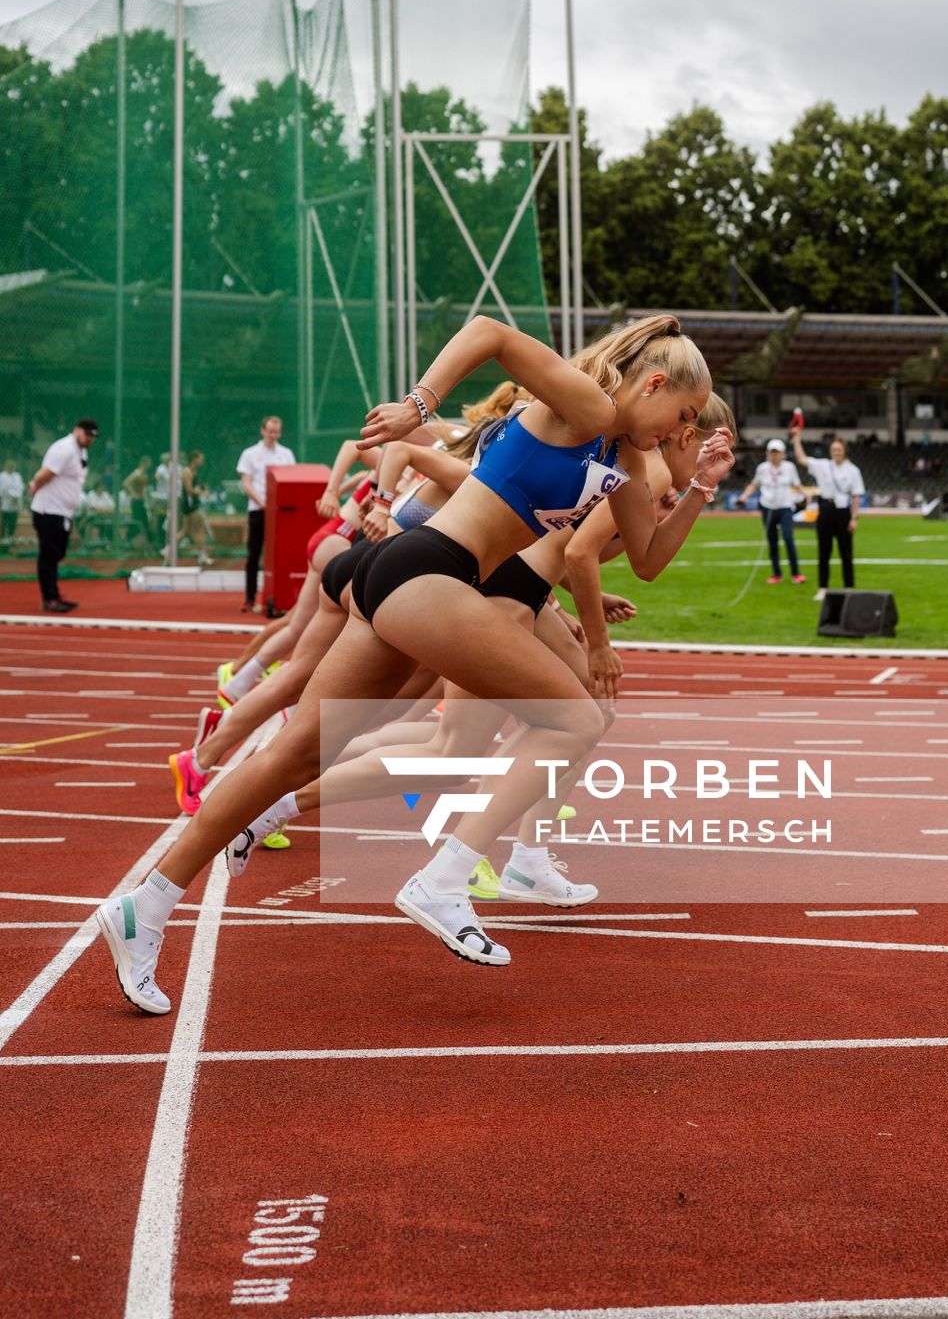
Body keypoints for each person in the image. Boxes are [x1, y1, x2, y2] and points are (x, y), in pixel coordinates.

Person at [97, 312, 730, 1009]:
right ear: (656, 382)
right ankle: (446, 876)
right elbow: (490, 332)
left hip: (410, 581)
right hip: (430, 568)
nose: (681, 431)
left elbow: (647, 560)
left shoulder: (630, 461)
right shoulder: (589, 406)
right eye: (683, 414)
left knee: (294, 758)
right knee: (576, 719)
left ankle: (144, 905)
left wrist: (697, 485)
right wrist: (417, 405)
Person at [28, 418, 98, 612]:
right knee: (49, 555)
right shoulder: (64, 448)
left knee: (57, 553)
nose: (89, 439)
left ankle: (54, 594)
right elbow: (46, 473)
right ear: (76, 430)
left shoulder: (81, 451)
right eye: (86, 434)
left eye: (92, 436)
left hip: (62, 511)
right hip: (49, 509)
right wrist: (34, 485)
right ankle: (49, 598)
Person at [237, 416, 296, 612]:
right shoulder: (250, 454)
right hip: (259, 510)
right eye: (269, 431)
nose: (273, 435)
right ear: (262, 431)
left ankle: (281, 596)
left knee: (282, 555)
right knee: (253, 554)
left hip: (282, 513)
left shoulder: (286, 454)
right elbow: (246, 484)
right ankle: (249, 597)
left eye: (276, 432)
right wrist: (263, 503)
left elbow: (291, 481)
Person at [791, 430, 863, 592]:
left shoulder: (853, 470)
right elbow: (802, 459)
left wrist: (854, 518)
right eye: (834, 450)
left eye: (839, 449)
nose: (836, 452)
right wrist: (796, 440)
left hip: (843, 512)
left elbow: (856, 497)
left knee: (846, 552)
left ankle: (848, 588)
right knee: (824, 552)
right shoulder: (823, 465)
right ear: (830, 451)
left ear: (844, 451)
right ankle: (822, 588)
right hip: (825, 510)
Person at [743, 437, 805, 585]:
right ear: (768, 453)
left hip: (785, 507)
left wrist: (805, 495)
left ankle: (795, 573)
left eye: (777, 452)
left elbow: (797, 484)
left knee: (789, 539)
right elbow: (754, 484)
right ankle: (776, 574)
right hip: (768, 507)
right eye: (772, 452)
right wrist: (743, 497)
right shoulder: (762, 468)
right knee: (772, 541)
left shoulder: (789, 467)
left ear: (783, 453)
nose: (775, 455)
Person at [0, 459, 23, 548]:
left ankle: (11, 540)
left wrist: (17, 496)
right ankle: (4, 543)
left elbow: (20, 486)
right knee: (5, 523)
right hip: (6, 503)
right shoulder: (2, 476)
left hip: (16, 503)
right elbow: (2, 489)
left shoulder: (17, 476)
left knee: (13, 524)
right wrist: (11, 495)